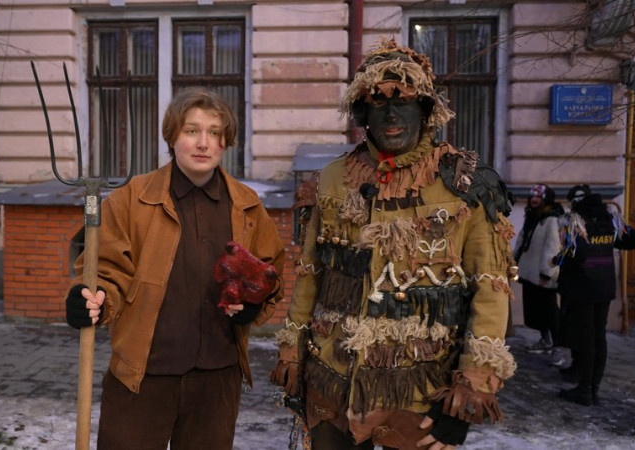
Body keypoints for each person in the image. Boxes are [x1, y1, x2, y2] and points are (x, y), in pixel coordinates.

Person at [270, 37, 517, 449]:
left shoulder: (466, 183)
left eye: (404, 101)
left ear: (426, 109)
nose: (392, 114)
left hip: (420, 394)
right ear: (362, 112)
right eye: (378, 102)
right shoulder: (333, 179)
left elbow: (491, 291)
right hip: (333, 384)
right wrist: (292, 356)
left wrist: (468, 395)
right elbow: (311, 274)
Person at [65, 87, 286, 449]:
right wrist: (93, 298)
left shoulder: (246, 205)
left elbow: (269, 271)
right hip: (142, 375)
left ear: (225, 142)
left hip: (217, 376)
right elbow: (106, 270)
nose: (203, 143)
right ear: (172, 136)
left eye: (214, 132)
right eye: (191, 131)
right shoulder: (130, 200)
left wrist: (253, 305)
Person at [556, 184, 635, 406]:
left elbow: (572, 255)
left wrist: (559, 261)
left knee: (586, 338)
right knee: (599, 336)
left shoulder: (576, 221)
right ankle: (593, 388)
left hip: (582, 287)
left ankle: (584, 390)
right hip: (604, 285)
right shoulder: (609, 219)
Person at [513, 184, 566, 366]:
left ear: (545, 200)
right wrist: (514, 262)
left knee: (550, 311)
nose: (534, 200)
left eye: (538, 197)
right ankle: (545, 340)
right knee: (535, 310)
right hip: (529, 272)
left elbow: (553, 247)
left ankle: (557, 347)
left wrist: (546, 273)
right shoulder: (533, 216)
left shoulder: (551, 219)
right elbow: (522, 241)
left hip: (543, 274)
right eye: (532, 197)